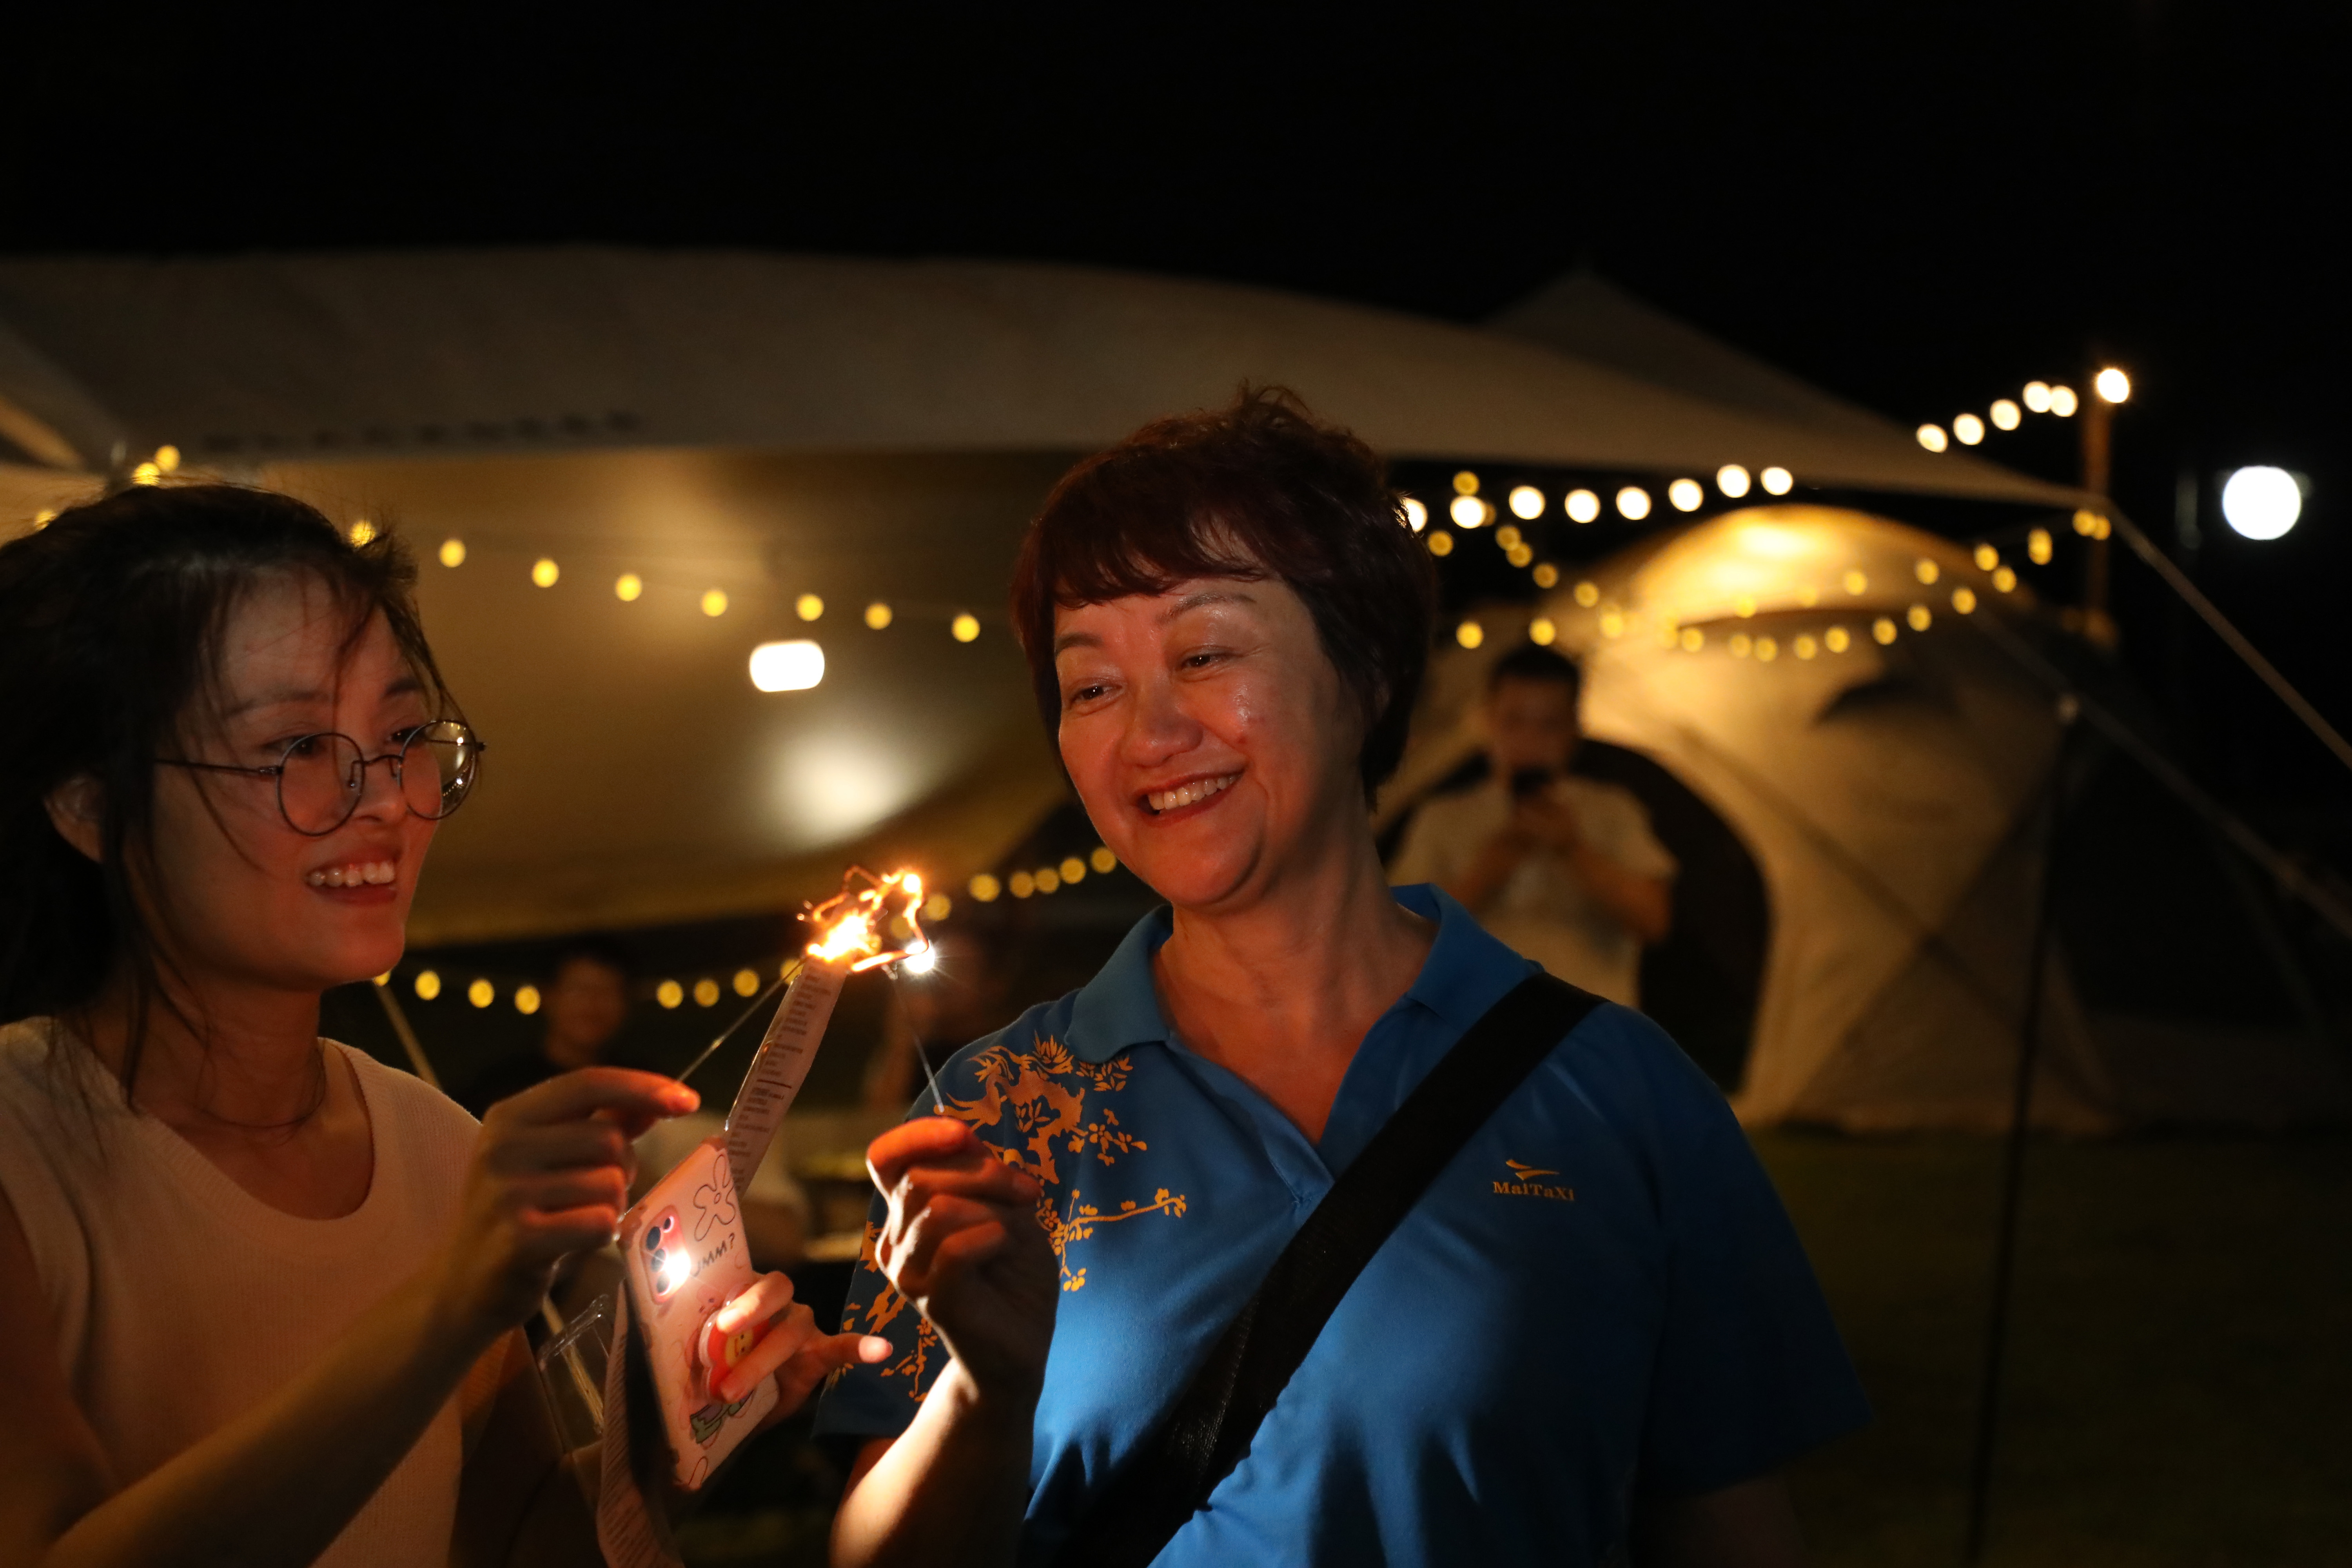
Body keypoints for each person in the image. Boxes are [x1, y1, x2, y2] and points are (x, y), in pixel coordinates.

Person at [817, 390, 1869, 1567]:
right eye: (1090, 685)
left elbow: (1729, 1526)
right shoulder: (999, 1113)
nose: (1148, 733)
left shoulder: (1616, 1093)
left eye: (1204, 652)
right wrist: (983, 1391)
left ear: (1365, 674)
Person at [0, 483, 885, 1568]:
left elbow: (506, 1543)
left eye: (403, 733)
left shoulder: (429, 1144)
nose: (380, 797)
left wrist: (667, 1436)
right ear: (89, 805)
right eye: (291, 748)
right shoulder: (25, 1150)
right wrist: (445, 1308)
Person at [1390, 642, 1675, 1006]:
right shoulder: (1444, 818)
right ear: (1487, 721)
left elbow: (1655, 921)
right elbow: (1399, 940)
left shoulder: (1612, 811)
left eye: (1549, 725)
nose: (1530, 741)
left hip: (1588, 1037)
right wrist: (1489, 871)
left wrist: (1573, 851)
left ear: (1575, 728)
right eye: (1514, 721)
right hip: (1474, 1036)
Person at [461, 939, 635, 1116]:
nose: (592, 1005)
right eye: (579, 991)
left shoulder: (636, 1088)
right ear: (549, 997)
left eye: (607, 992)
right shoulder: (503, 1088)